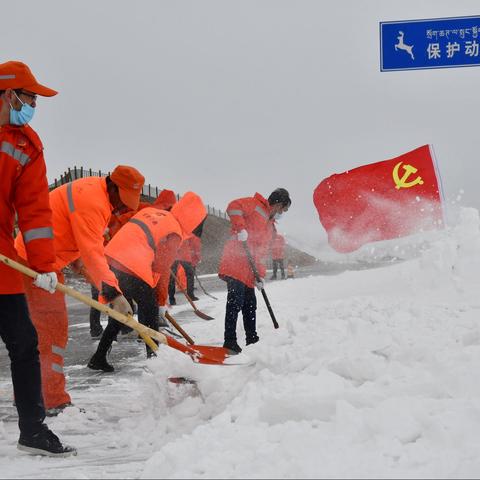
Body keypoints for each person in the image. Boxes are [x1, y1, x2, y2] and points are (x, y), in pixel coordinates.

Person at [15, 165, 145, 414]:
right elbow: (92, 251)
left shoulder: (97, 194)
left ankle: (32, 393)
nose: (123, 207)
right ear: (113, 187)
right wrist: (114, 294)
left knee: (41, 333)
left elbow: (79, 249)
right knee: (52, 331)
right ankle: (51, 399)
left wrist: (103, 287)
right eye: (123, 199)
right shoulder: (93, 201)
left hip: (47, 261)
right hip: (35, 263)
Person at [0, 60, 75, 456]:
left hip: (2, 263)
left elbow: (35, 213)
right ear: (9, 94)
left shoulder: (27, 145)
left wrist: (45, 266)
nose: (33, 106)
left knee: (25, 343)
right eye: (30, 97)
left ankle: (33, 429)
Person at [87, 191, 207, 372]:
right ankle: (155, 361)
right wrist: (160, 301)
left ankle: (99, 357)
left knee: (122, 311)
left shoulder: (155, 213)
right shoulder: (174, 230)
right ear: (192, 221)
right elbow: (161, 268)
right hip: (131, 265)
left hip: (110, 259)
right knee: (150, 312)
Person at [218, 188, 291, 353]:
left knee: (250, 305)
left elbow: (261, 253)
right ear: (278, 203)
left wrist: (260, 276)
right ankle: (229, 342)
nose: (282, 213)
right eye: (283, 209)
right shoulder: (254, 205)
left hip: (250, 270)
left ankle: (252, 339)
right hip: (236, 262)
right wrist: (241, 228)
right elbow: (233, 207)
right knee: (235, 302)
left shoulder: (271, 228)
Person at [168, 234, 202, 304]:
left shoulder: (171, 229)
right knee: (189, 274)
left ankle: (172, 298)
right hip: (181, 254)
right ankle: (190, 295)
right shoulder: (186, 230)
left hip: (178, 254)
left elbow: (193, 242)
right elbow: (194, 242)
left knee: (172, 277)